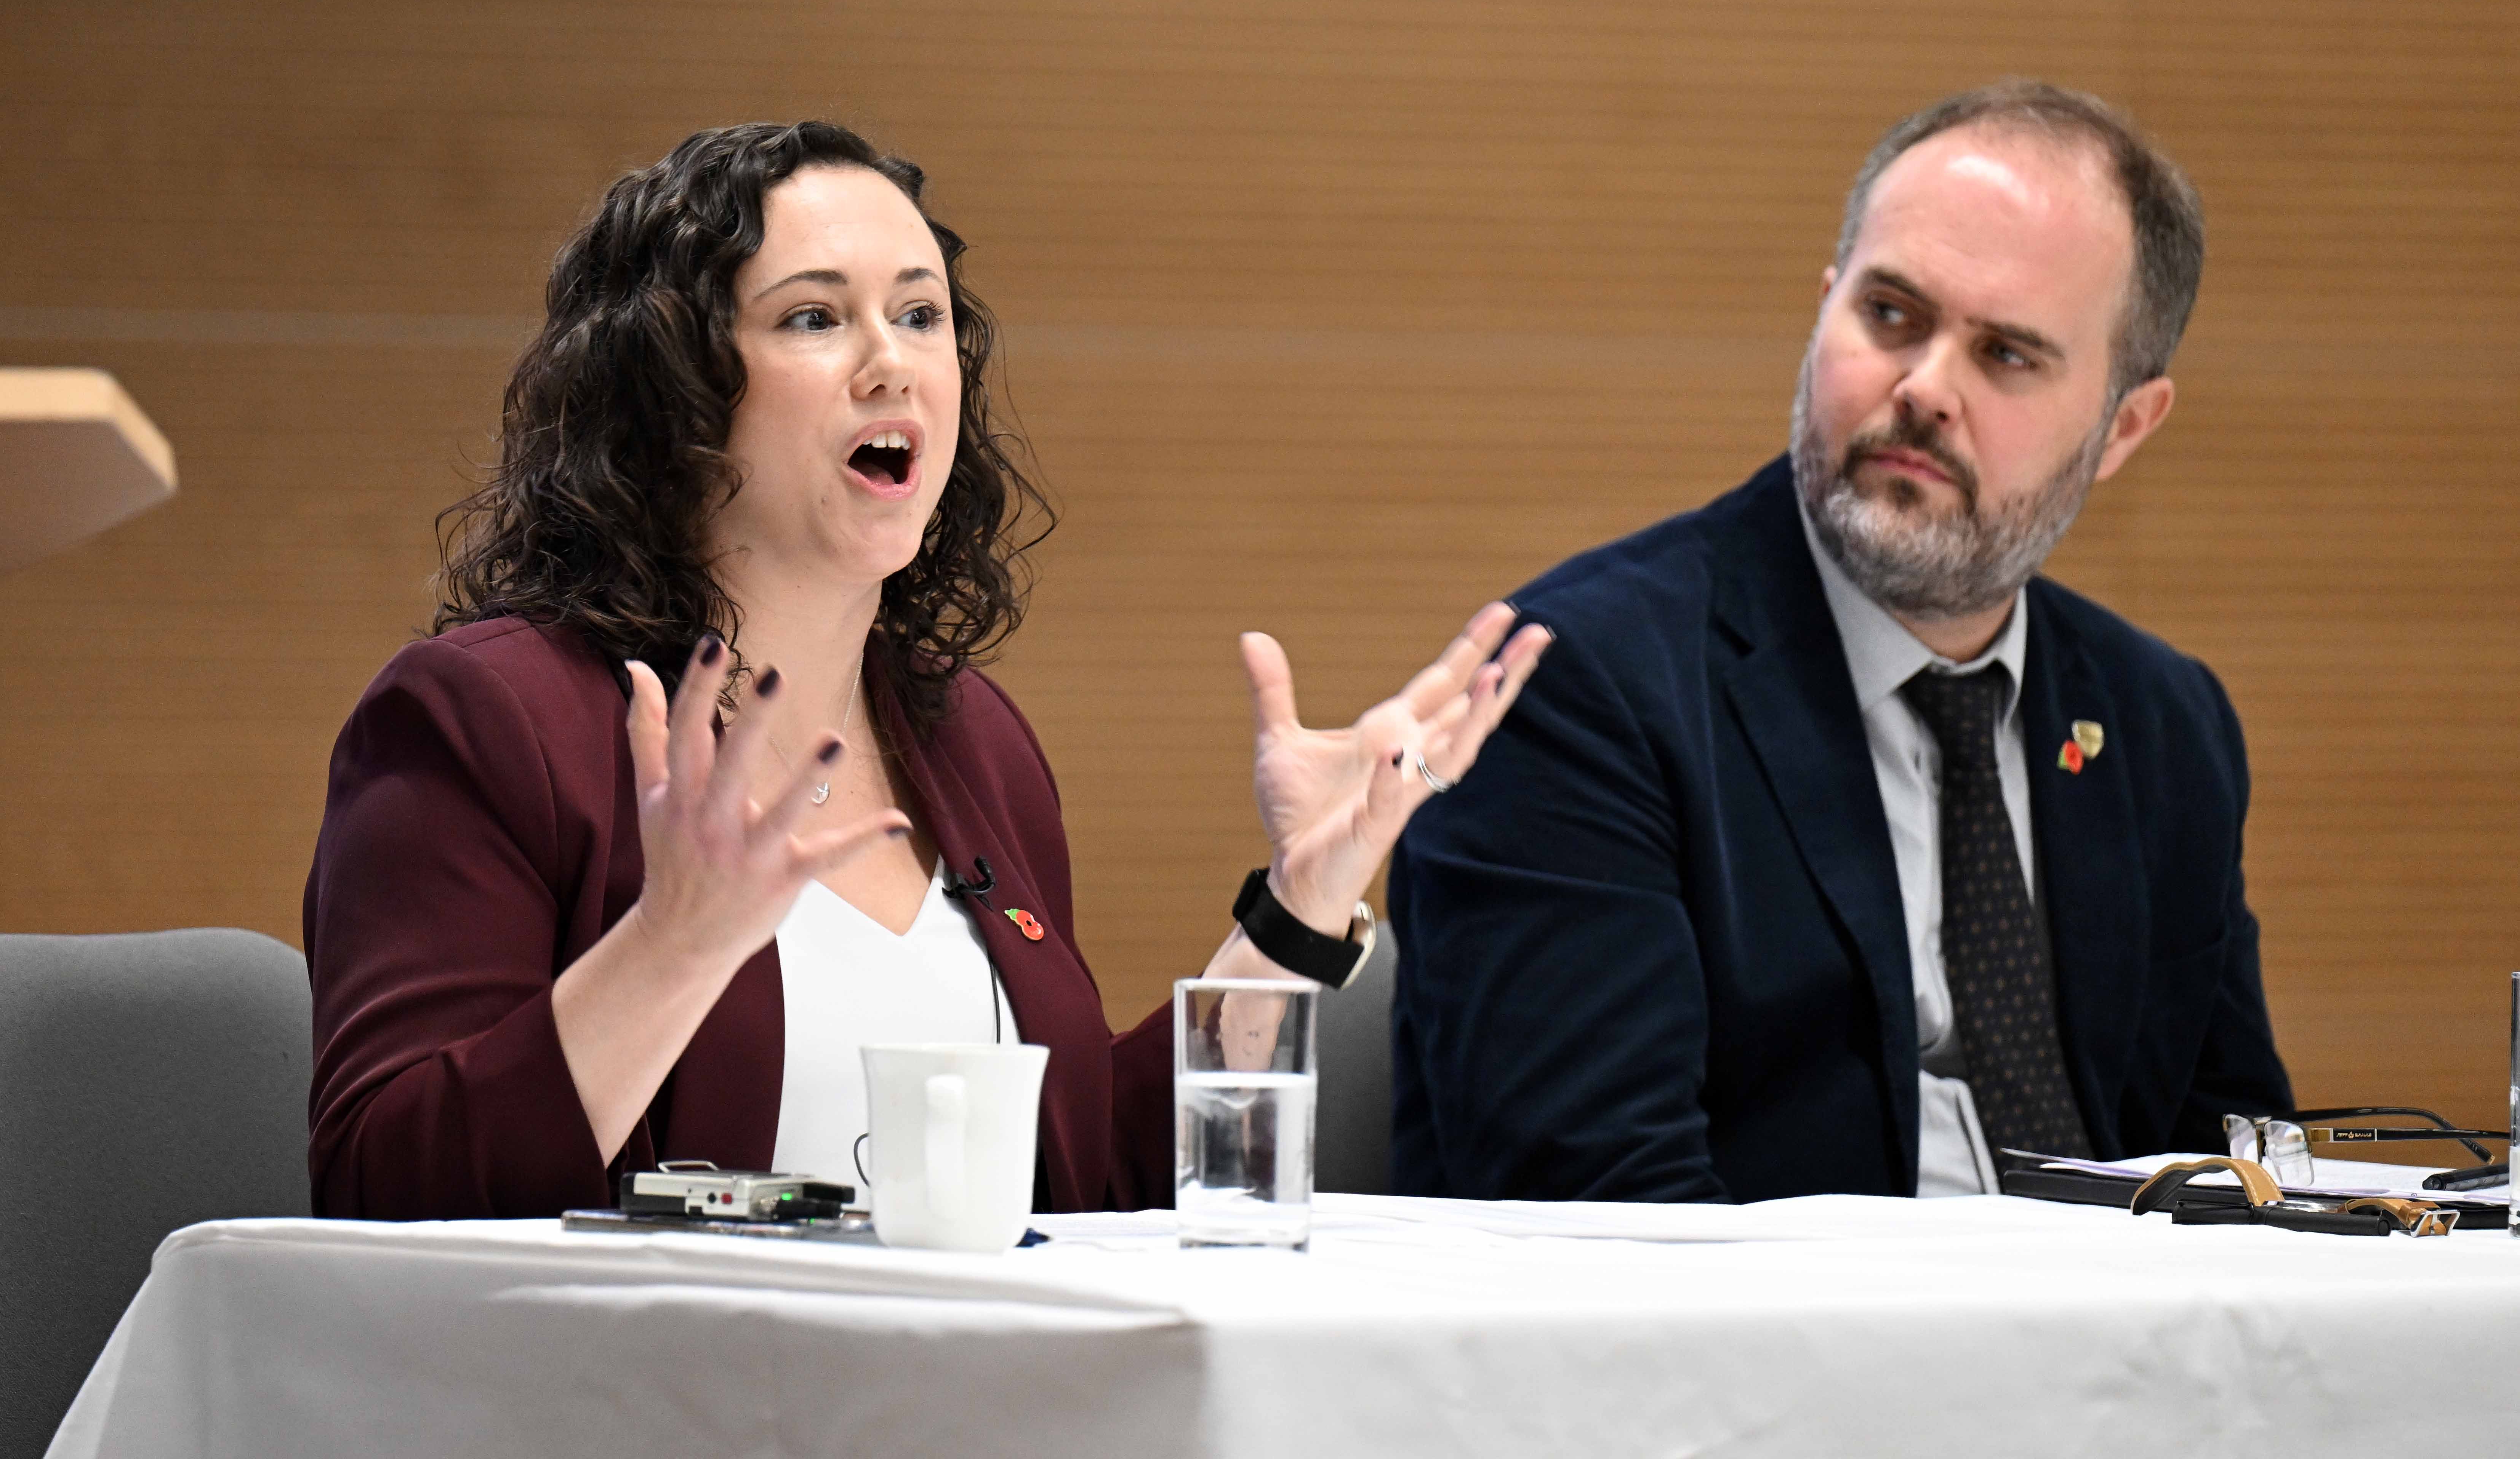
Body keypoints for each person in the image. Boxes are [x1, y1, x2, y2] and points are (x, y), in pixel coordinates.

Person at [304, 120, 1546, 1219]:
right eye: (811, 316)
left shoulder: (970, 739)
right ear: (671, 395)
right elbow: (381, 1189)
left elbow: (1084, 1189)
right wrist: (674, 946)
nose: (892, 361)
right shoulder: (492, 719)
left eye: (919, 314)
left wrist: (1297, 907)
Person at [1390, 80, 2293, 1204]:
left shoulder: (2165, 724)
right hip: (1762, 1365)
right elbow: (1602, 1220)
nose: (1923, 390)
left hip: (2122, 1365)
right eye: (1892, 317)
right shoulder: (1575, 689)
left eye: (2006, 356)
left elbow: (2242, 1175)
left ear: (2122, 427)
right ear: (1825, 313)